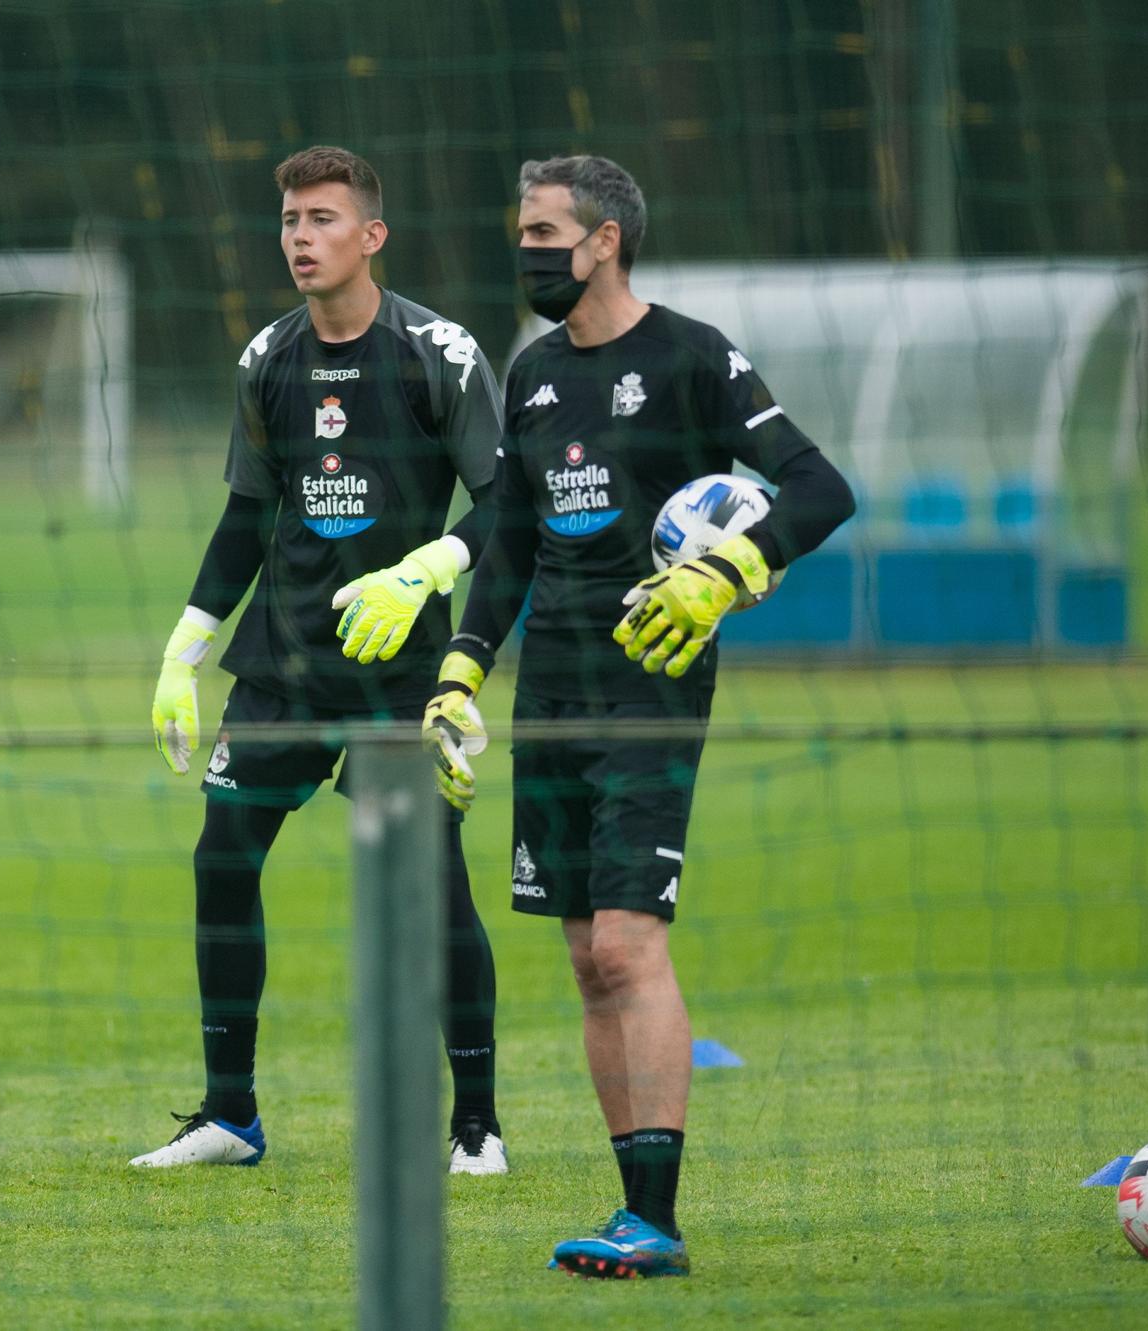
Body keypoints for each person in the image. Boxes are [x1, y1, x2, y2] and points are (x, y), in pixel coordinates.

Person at [422, 155, 855, 1274]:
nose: (526, 253)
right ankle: (634, 1211)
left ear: (604, 239)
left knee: (626, 941)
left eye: (543, 233)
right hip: (549, 696)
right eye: (521, 233)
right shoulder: (530, 375)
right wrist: (461, 670)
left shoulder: (692, 357)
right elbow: (509, 541)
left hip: (649, 686)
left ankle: (655, 1219)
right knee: (583, 957)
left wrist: (729, 569)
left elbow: (820, 488)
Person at [135, 145, 509, 1175]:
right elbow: (244, 519)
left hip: (400, 669)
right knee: (221, 858)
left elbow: (505, 504)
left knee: (432, 884)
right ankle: (230, 1115)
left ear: (372, 235)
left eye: (322, 219)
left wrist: (425, 571)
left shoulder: (438, 353)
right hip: (284, 666)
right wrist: (183, 651)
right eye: (290, 220)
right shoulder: (267, 358)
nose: (300, 238)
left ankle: (477, 1123)